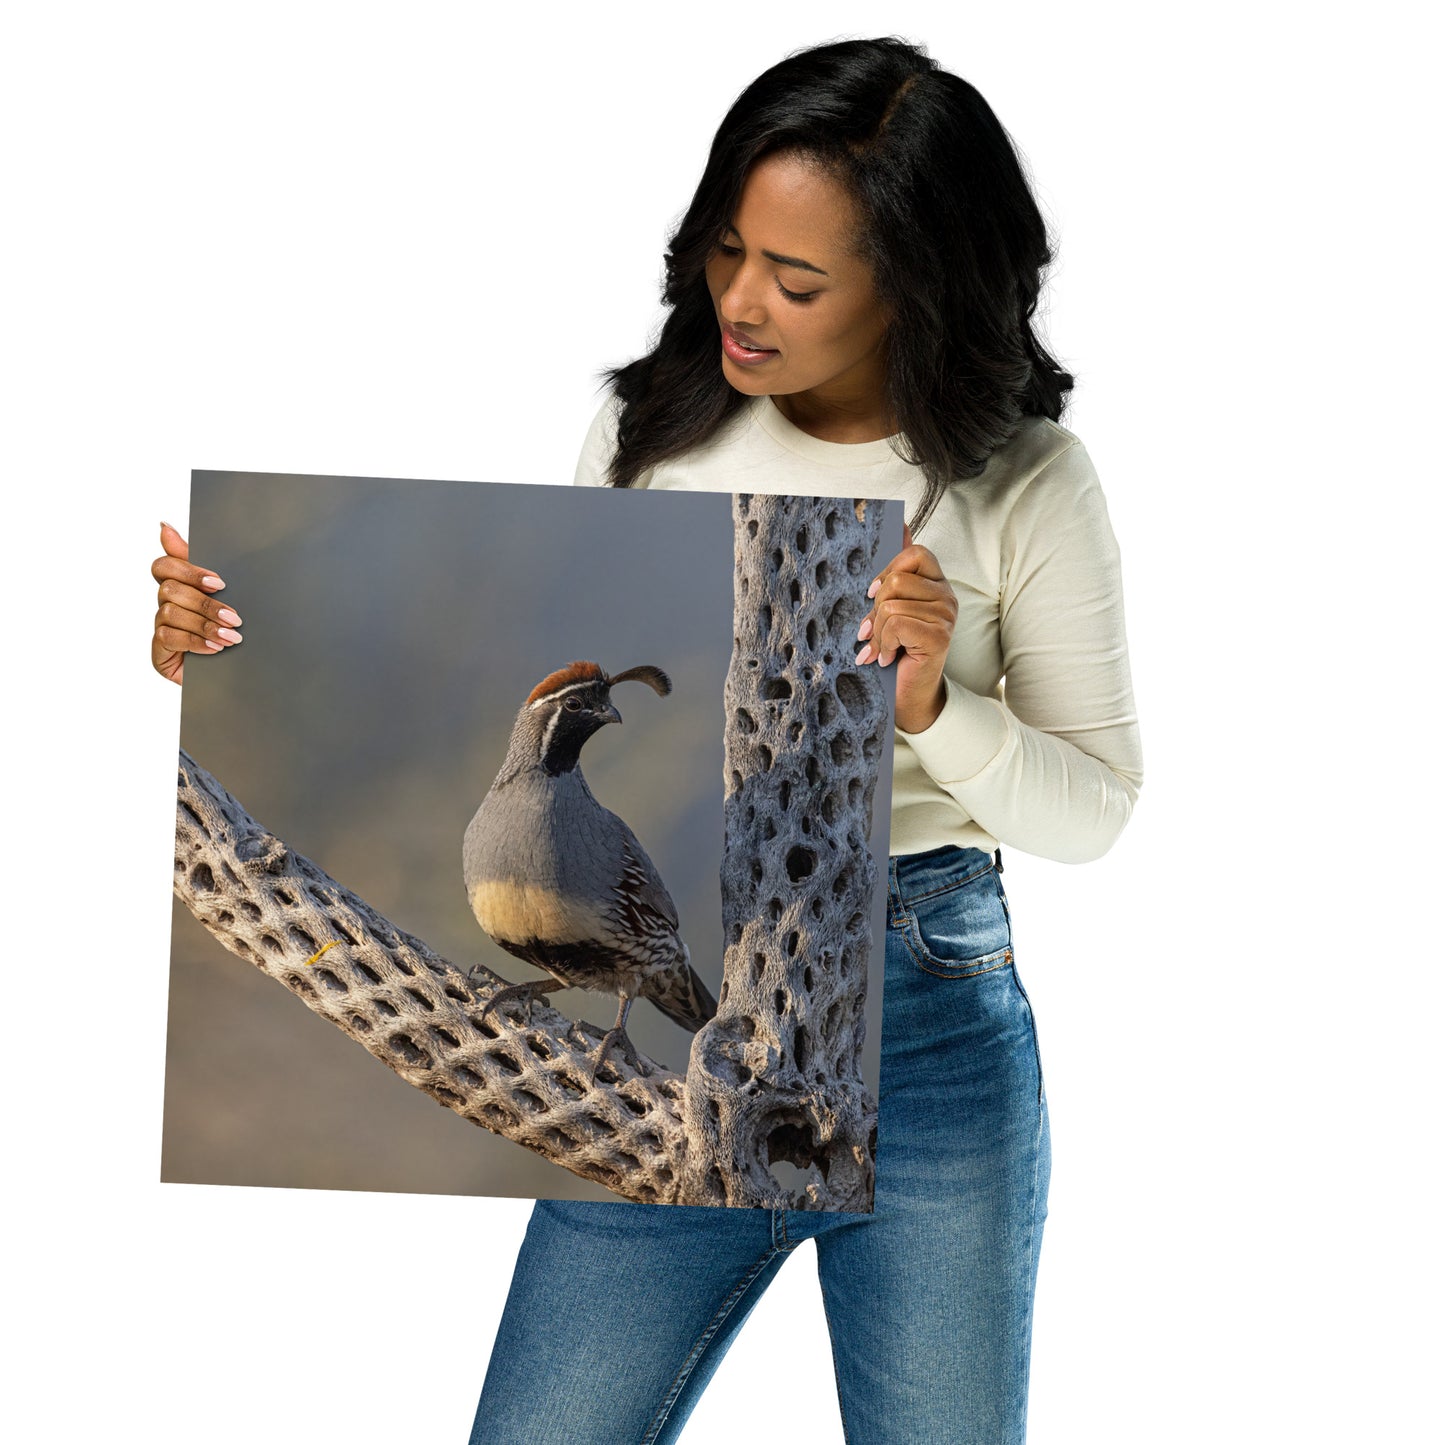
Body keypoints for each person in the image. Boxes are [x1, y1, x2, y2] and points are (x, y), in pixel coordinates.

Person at [151, 36, 1142, 1444]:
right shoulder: (647, 426)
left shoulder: (1026, 479)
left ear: (915, 287)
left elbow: (1095, 808)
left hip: (924, 1006)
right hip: (707, 994)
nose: (740, 300)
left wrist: (935, 706)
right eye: (726, 250)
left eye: (796, 279)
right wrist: (197, 650)